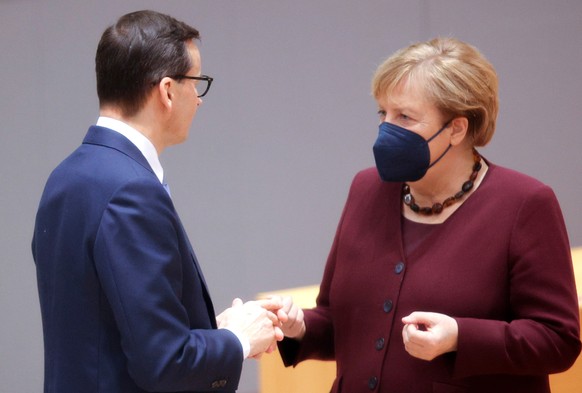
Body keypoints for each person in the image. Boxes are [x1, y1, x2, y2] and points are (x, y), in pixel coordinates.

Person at [272, 37, 581, 392]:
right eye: (383, 114)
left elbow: (558, 340)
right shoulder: (366, 189)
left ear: (457, 129)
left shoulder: (524, 203)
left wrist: (460, 338)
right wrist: (299, 327)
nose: (386, 129)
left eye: (404, 117)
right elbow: (339, 321)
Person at [32, 10, 282, 393]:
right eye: (196, 83)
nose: (198, 100)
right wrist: (238, 341)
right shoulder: (132, 191)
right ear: (167, 90)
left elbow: (107, 332)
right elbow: (165, 363)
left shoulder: (65, 177)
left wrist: (216, 331)